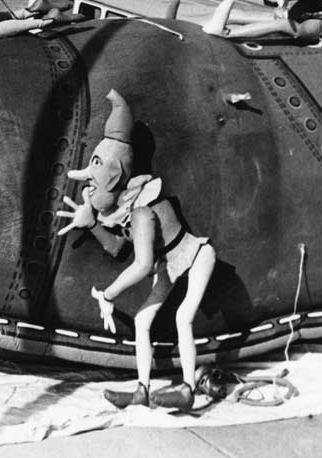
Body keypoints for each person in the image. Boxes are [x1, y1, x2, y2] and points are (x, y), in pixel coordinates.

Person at [57, 90, 217, 412]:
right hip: (168, 266)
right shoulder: (129, 212)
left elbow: (142, 265)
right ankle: (141, 390)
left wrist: (109, 294)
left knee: (183, 316)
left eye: (95, 181)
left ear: (115, 178)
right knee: (143, 322)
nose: (89, 189)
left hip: (195, 257)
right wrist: (91, 224)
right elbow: (118, 248)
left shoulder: (143, 212)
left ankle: (187, 388)